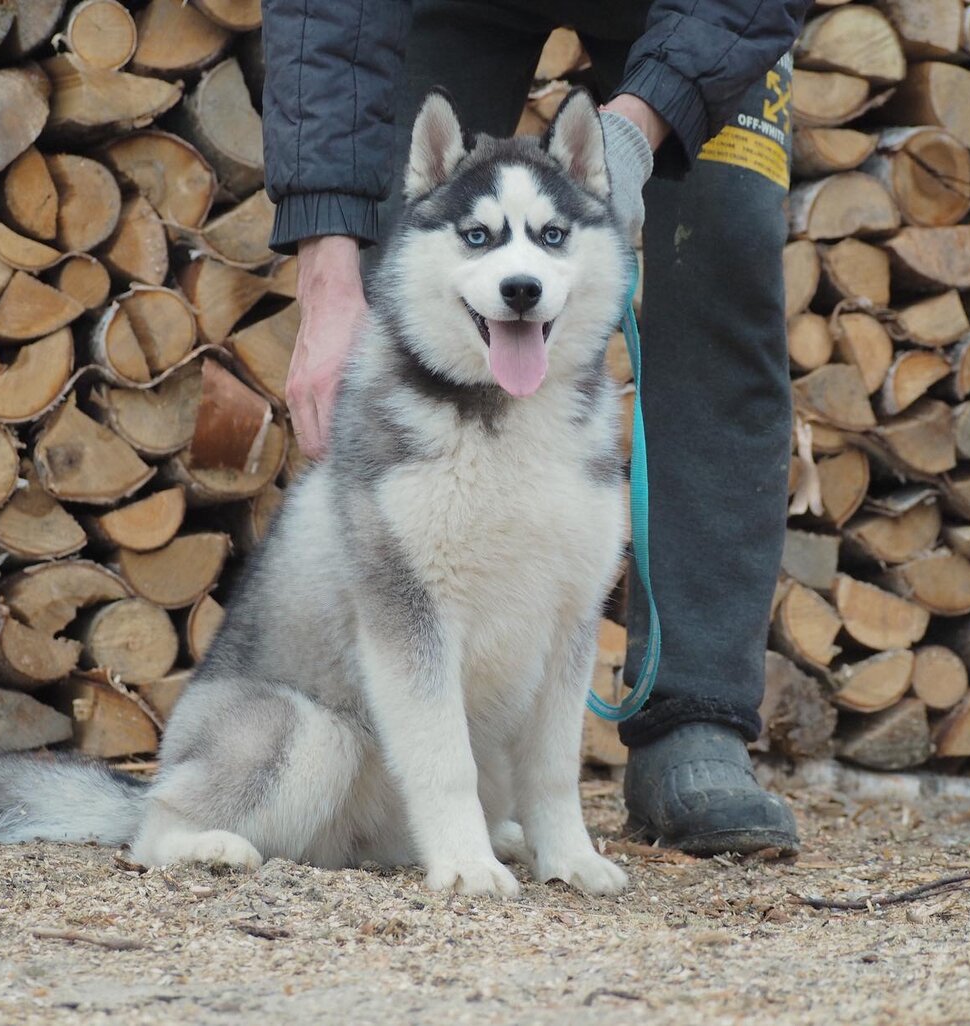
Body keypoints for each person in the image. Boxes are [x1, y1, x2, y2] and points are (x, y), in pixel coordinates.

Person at [260, 0, 812, 856]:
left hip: (698, 15)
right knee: (414, 258)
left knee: (722, 267)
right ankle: (366, 754)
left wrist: (638, 126)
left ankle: (693, 720)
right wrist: (332, 273)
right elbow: (323, 21)